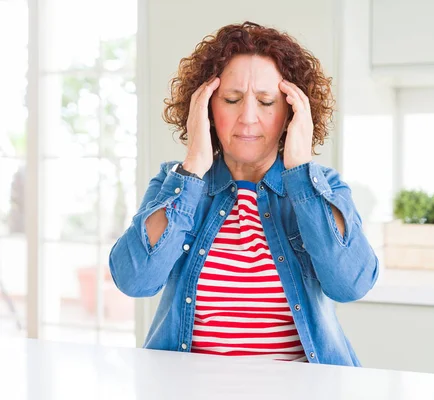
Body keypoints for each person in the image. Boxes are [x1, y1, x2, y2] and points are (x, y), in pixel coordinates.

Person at [109, 21, 379, 366]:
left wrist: (300, 173)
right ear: (207, 108)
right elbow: (135, 280)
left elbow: (351, 285)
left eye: (266, 102)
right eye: (232, 99)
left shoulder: (322, 186)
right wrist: (192, 168)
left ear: (290, 113)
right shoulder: (176, 183)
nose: (248, 118)